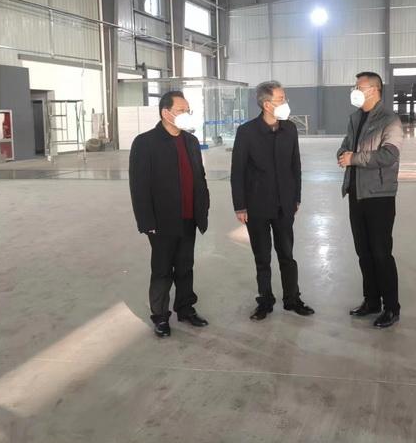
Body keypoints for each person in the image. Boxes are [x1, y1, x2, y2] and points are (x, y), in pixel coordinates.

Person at [230, 81, 315, 321]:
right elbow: (238, 171)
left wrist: (296, 197)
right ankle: (265, 301)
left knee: (287, 254)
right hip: (256, 205)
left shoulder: (290, 129)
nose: (285, 103)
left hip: (284, 205)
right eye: (281, 99)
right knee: (263, 257)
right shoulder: (247, 132)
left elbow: (295, 165)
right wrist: (240, 206)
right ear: (267, 104)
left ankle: (292, 299)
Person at [129, 91, 210, 338]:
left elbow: (199, 176)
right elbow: (139, 186)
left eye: (188, 110)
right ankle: (160, 316)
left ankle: (185, 308)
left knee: (185, 266)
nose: (187, 114)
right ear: (166, 113)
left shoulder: (191, 141)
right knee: (162, 269)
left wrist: (203, 207)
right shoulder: (145, 142)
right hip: (161, 221)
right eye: (181, 110)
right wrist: (146, 221)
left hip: (189, 216)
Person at [337, 72, 403, 329]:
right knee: (363, 252)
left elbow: (389, 155)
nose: (354, 90)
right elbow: (345, 145)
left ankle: (391, 307)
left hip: (379, 195)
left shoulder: (390, 120)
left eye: (359, 86)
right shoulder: (355, 118)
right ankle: (371, 301)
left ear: (374, 90)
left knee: (380, 253)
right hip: (356, 193)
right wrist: (343, 154)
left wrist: (354, 158)